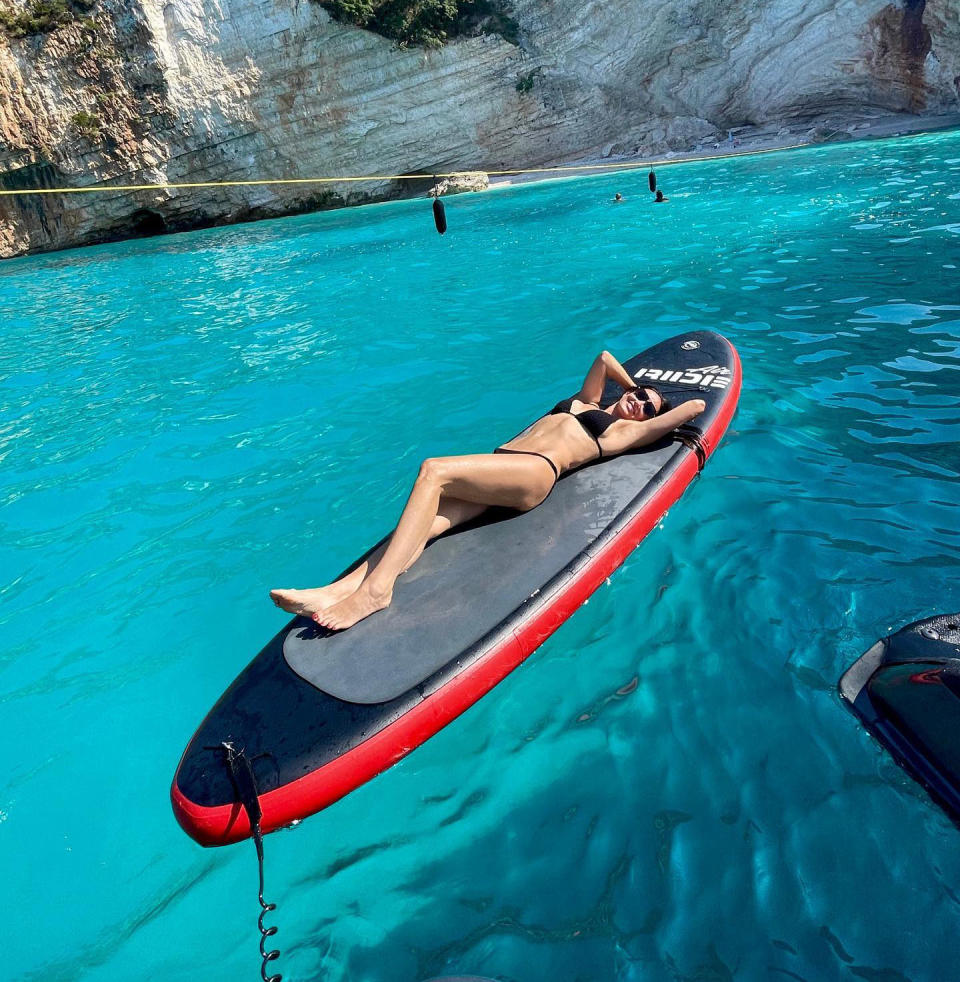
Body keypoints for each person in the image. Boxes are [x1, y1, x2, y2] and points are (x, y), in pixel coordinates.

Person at [271, 351, 705, 631]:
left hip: (534, 474)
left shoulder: (617, 434)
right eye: (641, 397)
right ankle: (336, 590)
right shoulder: (587, 402)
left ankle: (376, 591)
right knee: (426, 525)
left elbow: (693, 408)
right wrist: (633, 386)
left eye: (648, 406)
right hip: (503, 465)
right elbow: (604, 358)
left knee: (433, 472)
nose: (642, 404)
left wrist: (652, 412)